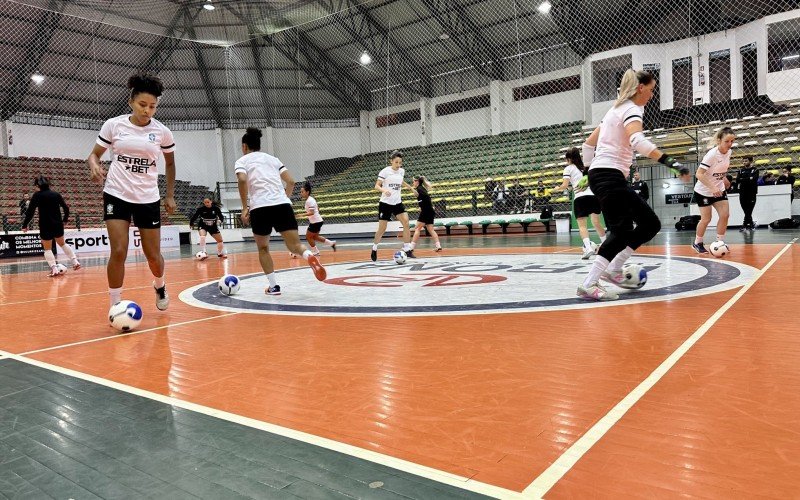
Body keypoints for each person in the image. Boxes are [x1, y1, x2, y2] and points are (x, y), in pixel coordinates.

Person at [578, 69, 690, 301]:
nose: (651, 94)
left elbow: (588, 146)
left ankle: (614, 269)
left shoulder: (614, 110)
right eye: (651, 90)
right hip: (609, 175)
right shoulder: (631, 109)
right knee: (621, 231)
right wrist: (672, 163)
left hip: (606, 174)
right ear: (640, 88)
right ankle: (589, 284)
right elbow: (637, 140)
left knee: (650, 223)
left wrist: (589, 171)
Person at [88, 72, 176, 310]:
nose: (147, 110)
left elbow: (169, 163)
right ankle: (115, 305)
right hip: (116, 192)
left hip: (148, 197)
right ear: (131, 102)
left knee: (153, 257)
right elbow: (95, 154)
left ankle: (160, 284)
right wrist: (95, 164)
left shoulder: (162, 132)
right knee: (118, 250)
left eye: (152, 106)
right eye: (142, 105)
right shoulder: (113, 125)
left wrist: (169, 194)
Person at [236, 127, 326, 295]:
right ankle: (309, 257)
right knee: (295, 245)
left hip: (260, 207)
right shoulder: (273, 159)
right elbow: (291, 181)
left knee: (263, 249)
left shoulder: (242, 161)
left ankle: (273, 286)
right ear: (259, 144)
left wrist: (244, 207)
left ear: (244, 146)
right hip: (282, 205)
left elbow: (241, 179)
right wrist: (284, 198)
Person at [551, 147, 607, 259]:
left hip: (580, 198)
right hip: (593, 197)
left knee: (582, 226)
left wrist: (557, 188)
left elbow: (565, 185)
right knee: (596, 223)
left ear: (568, 159)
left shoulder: (568, 169)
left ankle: (588, 248)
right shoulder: (585, 168)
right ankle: (607, 246)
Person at [21, 176, 81, 276]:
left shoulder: (37, 195)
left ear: (37, 185)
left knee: (47, 249)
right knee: (62, 243)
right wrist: (65, 219)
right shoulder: (56, 194)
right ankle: (75, 262)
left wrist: (24, 225)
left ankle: (54, 269)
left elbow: (30, 212)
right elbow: (66, 208)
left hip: (45, 225)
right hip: (58, 224)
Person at [692, 127, 736, 254]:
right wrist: (712, 187)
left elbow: (720, 169)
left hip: (719, 189)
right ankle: (697, 242)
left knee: (725, 215)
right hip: (703, 191)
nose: (730, 144)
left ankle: (719, 242)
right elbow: (699, 174)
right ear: (719, 141)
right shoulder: (711, 154)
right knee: (706, 219)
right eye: (727, 141)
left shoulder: (729, 152)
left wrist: (724, 179)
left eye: (732, 141)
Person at [370, 150, 415, 261]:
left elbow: (401, 182)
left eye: (400, 162)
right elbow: (376, 185)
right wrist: (384, 190)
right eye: (396, 162)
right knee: (382, 229)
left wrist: (411, 188)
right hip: (385, 203)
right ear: (391, 161)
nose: (398, 165)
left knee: (406, 222)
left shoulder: (401, 171)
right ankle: (374, 248)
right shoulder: (385, 171)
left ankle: (407, 249)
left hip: (397, 202)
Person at [300, 181, 336, 256]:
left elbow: (312, 212)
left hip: (315, 222)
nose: (301, 193)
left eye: (302, 191)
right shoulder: (310, 200)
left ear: (307, 192)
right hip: (317, 221)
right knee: (315, 237)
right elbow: (317, 209)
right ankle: (331, 243)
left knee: (308, 236)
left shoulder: (309, 201)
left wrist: (301, 215)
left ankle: (315, 251)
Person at [410, 175, 442, 253]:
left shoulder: (419, 189)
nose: (413, 182)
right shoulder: (422, 189)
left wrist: (424, 207)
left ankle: (411, 247)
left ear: (417, 181)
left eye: (414, 181)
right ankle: (438, 246)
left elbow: (426, 198)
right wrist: (423, 206)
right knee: (431, 229)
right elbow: (426, 199)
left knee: (417, 228)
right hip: (430, 211)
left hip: (426, 211)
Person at [735, 156, 759, 231]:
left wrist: (744, 179)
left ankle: (745, 224)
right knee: (745, 209)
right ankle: (750, 223)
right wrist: (748, 179)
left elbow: (754, 179)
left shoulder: (755, 170)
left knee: (749, 209)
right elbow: (737, 180)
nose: (744, 162)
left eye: (746, 161)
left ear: (751, 161)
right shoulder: (741, 170)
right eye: (743, 161)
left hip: (752, 192)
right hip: (742, 192)